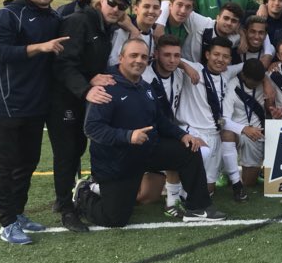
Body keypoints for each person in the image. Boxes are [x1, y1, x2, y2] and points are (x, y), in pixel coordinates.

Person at [74, 38, 225, 227]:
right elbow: (93, 128)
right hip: (118, 161)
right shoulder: (106, 87)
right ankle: (84, 193)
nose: (139, 60)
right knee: (115, 219)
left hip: (147, 150)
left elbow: (160, 120)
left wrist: (182, 135)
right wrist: (128, 136)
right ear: (121, 58)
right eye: (133, 55)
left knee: (189, 150)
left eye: (143, 57)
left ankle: (199, 207)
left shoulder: (145, 87)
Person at [0, 0, 67, 244]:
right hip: (5, 105)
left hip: (36, 106)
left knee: (27, 164)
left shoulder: (54, 17)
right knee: (4, 167)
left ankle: (18, 213)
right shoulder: (7, 15)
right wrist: (38, 47)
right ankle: (7, 222)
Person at [49, 0, 132, 232]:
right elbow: (63, 64)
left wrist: (131, 28)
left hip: (83, 97)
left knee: (77, 149)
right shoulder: (79, 21)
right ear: (101, 0)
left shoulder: (106, 26)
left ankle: (69, 197)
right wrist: (87, 85)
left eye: (122, 6)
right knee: (67, 153)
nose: (116, 9)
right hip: (64, 97)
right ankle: (66, 209)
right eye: (112, 3)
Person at [176, 36, 247, 198]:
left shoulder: (226, 73)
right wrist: (185, 66)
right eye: (216, 54)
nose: (220, 59)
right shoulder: (195, 68)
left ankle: (192, 192)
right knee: (192, 191)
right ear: (207, 55)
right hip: (193, 131)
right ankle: (178, 196)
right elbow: (169, 58)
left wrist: (270, 69)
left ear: (229, 59)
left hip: (214, 134)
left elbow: (248, 66)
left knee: (208, 190)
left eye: (225, 56)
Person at [141, 34, 190, 216]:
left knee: (149, 196)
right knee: (142, 197)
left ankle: (172, 202)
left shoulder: (179, 74)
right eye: (167, 55)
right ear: (156, 54)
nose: (172, 60)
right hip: (142, 137)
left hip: (165, 133)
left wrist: (186, 66)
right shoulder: (143, 76)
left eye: (177, 56)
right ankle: (95, 187)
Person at [221, 58, 270, 190]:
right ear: (243, 75)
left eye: (259, 82)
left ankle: (240, 174)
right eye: (253, 82)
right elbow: (224, 120)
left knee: (249, 183)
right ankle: (225, 171)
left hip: (256, 135)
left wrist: (266, 82)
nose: (256, 85)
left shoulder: (264, 81)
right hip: (237, 133)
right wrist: (244, 129)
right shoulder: (232, 85)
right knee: (226, 134)